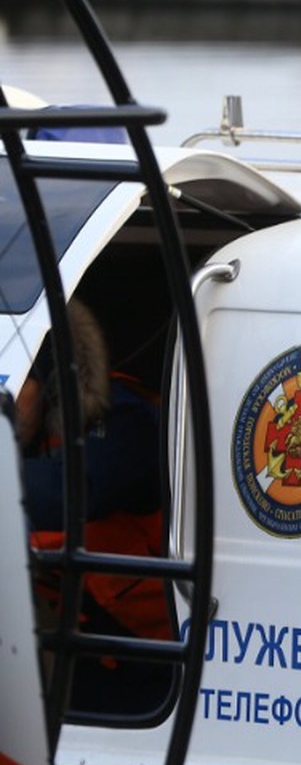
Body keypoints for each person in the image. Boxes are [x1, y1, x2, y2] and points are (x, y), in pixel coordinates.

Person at [18, 298, 174, 714]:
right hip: (88, 645)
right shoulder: (30, 439)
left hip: (159, 661)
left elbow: (72, 491)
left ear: (44, 376)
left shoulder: (124, 418)